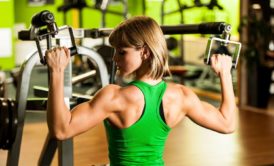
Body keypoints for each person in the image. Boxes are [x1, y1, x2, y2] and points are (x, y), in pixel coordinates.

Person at [45, 16, 236, 166]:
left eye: (121, 52)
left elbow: (61, 130)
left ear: (145, 52)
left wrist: (57, 71)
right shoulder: (181, 96)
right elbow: (227, 124)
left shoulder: (114, 97)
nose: (115, 58)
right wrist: (225, 74)